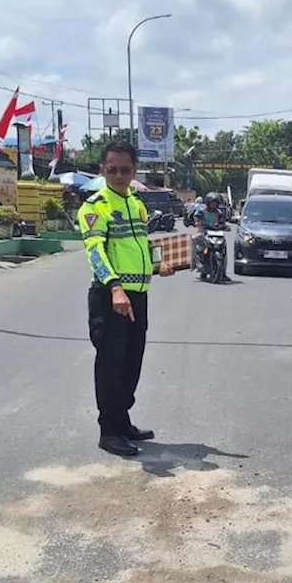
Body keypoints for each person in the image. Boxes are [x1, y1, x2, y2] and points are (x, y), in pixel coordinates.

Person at [79, 140, 174, 457]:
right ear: (102, 170)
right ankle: (109, 431)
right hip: (110, 298)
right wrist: (115, 287)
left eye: (125, 169)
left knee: (132, 363)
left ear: (134, 171)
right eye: (112, 169)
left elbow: (142, 244)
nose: (119, 175)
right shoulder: (95, 206)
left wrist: (159, 262)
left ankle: (122, 421)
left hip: (138, 297)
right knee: (111, 366)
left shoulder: (136, 204)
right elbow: (96, 252)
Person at [193, 192, 228, 280]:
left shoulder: (219, 212)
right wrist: (197, 222)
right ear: (208, 203)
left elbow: (223, 222)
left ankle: (223, 273)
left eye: (215, 202)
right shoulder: (202, 211)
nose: (214, 204)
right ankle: (199, 265)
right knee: (196, 242)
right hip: (204, 232)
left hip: (217, 233)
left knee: (224, 250)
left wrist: (225, 226)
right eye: (212, 202)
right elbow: (196, 218)